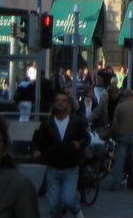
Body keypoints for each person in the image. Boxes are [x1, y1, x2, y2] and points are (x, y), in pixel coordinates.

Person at [31, 89, 88, 218]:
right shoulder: (47, 123)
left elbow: (86, 138)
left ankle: (76, 209)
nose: (60, 103)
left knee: (68, 199)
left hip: (71, 167)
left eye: (63, 101)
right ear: (54, 104)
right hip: (53, 166)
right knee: (53, 205)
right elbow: (39, 139)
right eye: (58, 101)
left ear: (68, 104)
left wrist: (79, 144)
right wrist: (36, 150)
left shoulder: (76, 121)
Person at [108, 88, 133, 191]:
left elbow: (115, 123)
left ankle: (115, 185)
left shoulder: (120, 107)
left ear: (124, 96)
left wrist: (116, 134)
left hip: (122, 135)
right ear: (132, 96)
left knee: (119, 161)